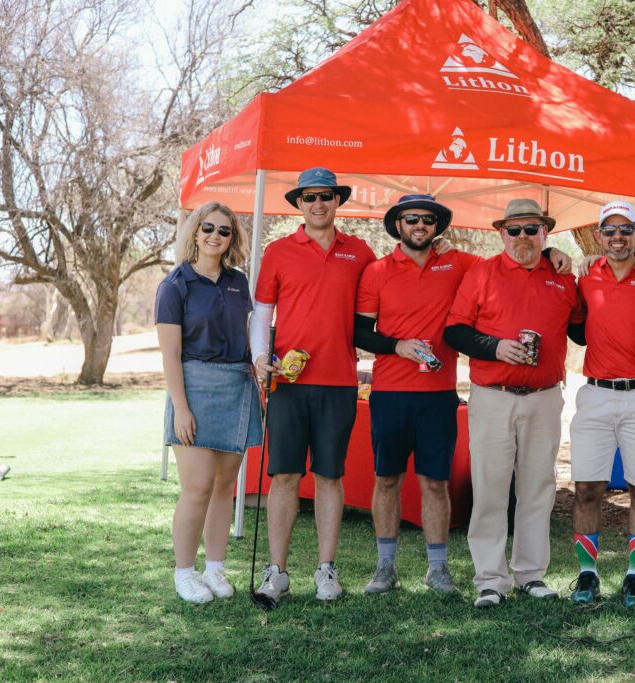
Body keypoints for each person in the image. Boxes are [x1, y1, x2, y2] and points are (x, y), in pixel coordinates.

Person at [354, 194, 573, 597]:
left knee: (445, 483)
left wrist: (553, 253)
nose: (419, 225)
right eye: (411, 219)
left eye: (427, 219)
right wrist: (397, 345)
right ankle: (392, 568)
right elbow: (362, 332)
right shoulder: (380, 270)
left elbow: (522, 260)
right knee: (390, 479)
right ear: (398, 225)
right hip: (396, 391)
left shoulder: (463, 265)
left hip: (445, 394)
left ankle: (453, 571)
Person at [445, 198, 583, 609]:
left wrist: (582, 265)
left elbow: (582, 330)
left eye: (531, 229)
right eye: (515, 230)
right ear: (501, 233)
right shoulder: (482, 273)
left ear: (545, 233)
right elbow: (455, 331)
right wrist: (495, 347)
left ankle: (530, 574)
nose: (523, 237)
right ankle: (490, 578)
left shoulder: (563, 278)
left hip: (545, 398)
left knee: (538, 488)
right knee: (490, 487)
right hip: (493, 397)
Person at [249, 168, 376, 603]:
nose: (318, 204)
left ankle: (326, 570)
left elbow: (386, 292)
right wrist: (260, 358)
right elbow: (262, 313)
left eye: (325, 196)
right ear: (299, 204)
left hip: (339, 382)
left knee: (329, 475)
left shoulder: (359, 252)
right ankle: (277, 572)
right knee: (284, 475)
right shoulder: (278, 251)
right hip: (288, 382)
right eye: (309, 197)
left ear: (337, 200)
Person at [566, 200, 635, 607]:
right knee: (586, 488)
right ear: (598, 236)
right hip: (595, 394)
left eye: (625, 229)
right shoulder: (586, 278)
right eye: (609, 230)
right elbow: (575, 325)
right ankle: (587, 574)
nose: (617, 237)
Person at [155, 201, 262, 604]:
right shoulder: (175, 285)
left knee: (223, 487)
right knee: (198, 486)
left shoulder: (239, 282)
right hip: (194, 388)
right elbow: (170, 355)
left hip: (236, 384)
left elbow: (248, 335)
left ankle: (214, 568)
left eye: (224, 230)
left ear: (232, 238)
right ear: (195, 232)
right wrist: (181, 408)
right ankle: (184, 573)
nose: (216, 236)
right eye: (209, 228)